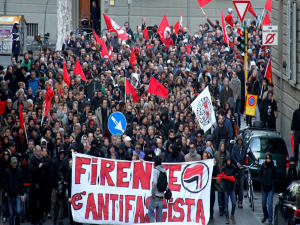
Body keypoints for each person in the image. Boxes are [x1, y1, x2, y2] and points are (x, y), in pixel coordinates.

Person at [231, 135, 258, 208]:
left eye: (241, 140)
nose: (240, 142)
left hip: (242, 169)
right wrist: (236, 163)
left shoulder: (245, 147)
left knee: (241, 186)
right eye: (238, 140)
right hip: (236, 169)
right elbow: (232, 156)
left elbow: (250, 154)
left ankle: (240, 201)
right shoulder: (234, 147)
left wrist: (255, 160)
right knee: (235, 185)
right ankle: (236, 195)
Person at [1, 157, 25, 225]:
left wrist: (22, 194)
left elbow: (21, 183)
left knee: (18, 211)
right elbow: (3, 183)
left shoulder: (19, 171)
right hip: (10, 194)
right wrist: (7, 189)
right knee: (11, 214)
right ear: (11, 163)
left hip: (17, 194)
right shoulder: (7, 171)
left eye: (16, 163)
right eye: (14, 163)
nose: (15, 164)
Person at [260, 152, 277, 225]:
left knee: (270, 203)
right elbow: (260, 173)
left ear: (271, 159)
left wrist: (272, 183)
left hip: (271, 187)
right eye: (266, 158)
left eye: (269, 158)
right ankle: (265, 215)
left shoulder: (273, 166)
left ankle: (270, 219)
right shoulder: (263, 166)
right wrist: (262, 181)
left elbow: (275, 176)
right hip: (264, 186)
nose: (268, 160)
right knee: (263, 204)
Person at [148, 157, 166, 222]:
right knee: (159, 217)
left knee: (150, 213)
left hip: (155, 196)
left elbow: (155, 183)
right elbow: (166, 184)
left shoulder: (156, 171)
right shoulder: (164, 171)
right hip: (161, 196)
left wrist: (153, 192)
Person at [214, 140, 229, 216]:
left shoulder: (227, 154)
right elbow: (215, 163)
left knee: (224, 192)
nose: (222, 148)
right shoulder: (216, 154)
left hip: (225, 175)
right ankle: (220, 207)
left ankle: (224, 207)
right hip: (219, 175)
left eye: (223, 146)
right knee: (220, 192)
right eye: (221, 146)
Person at [221, 155, 236, 224]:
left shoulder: (233, 167)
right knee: (226, 204)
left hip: (232, 188)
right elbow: (221, 176)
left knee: (234, 203)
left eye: (229, 160)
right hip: (226, 188)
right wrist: (224, 177)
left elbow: (236, 175)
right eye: (227, 161)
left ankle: (232, 214)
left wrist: (234, 177)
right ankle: (227, 217)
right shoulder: (224, 168)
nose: (228, 162)